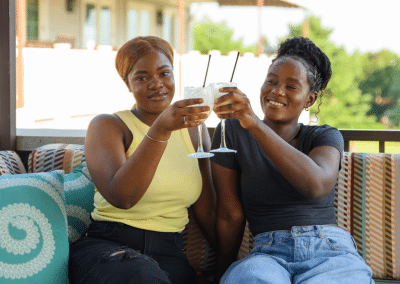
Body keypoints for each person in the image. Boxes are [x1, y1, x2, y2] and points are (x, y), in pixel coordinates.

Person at [211, 37, 375, 283]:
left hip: (328, 251)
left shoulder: (324, 136)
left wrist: (254, 124)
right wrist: (220, 273)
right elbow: (229, 213)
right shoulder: (234, 132)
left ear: (310, 99)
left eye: (291, 86)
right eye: (272, 81)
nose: (277, 91)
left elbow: (316, 184)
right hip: (267, 255)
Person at [68, 36, 216, 284]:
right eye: (142, 78)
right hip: (110, 247)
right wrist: (161, 130)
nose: (156, 84)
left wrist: (225, 267)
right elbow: (123, 197)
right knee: (142, 276)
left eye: (164, 73)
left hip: (170, 253)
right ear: (127, 84)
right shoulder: (108, 125)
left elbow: (208, 209)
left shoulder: (194, 130)